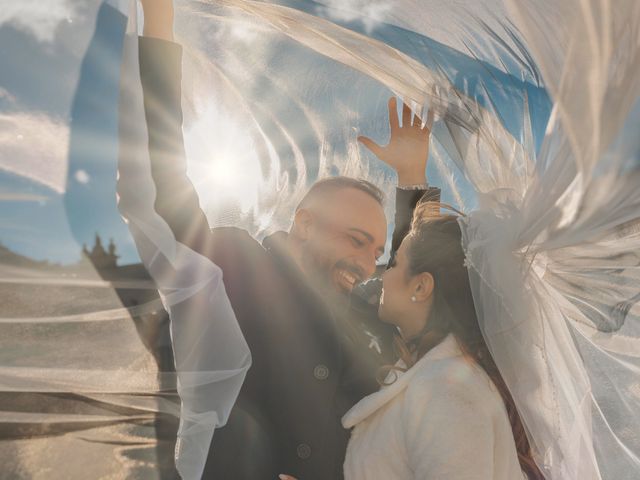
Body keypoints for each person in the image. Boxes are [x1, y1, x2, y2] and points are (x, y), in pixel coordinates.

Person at [136, 1, 440, 478]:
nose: (366, 262)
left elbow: (418, 270)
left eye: (375, 251)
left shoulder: (367, 312)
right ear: (304, 224)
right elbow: (165, 187)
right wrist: (157, 27)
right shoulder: (238, 266)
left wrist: (412, 177)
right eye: (356, 239)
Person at [282, 204, 544, 480]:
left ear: (420, 287)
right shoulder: (436, 377)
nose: (382, 274)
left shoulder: (446, 389)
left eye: (394, 264)